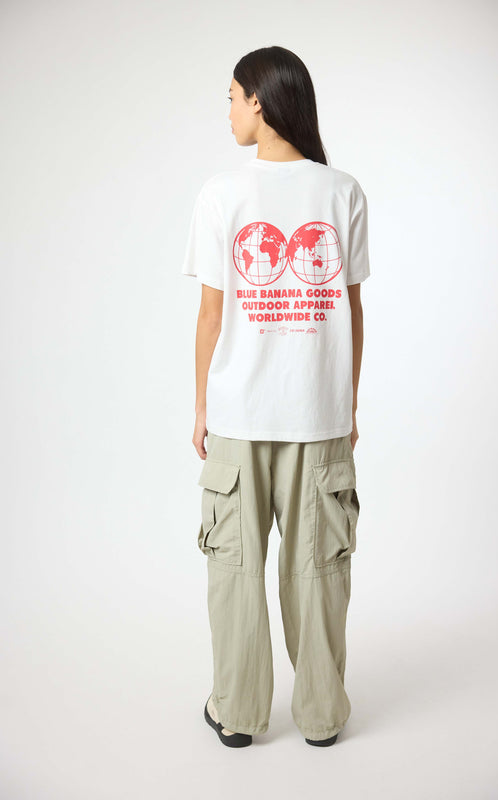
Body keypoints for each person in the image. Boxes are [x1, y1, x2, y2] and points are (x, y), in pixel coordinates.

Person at [182, 45, 370, 748]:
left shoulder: (221, 194)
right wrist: (347, 406)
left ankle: (237, 714)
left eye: (231, 97)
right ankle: (320, 718)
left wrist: (201, 407)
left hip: (238, 415)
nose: (228, 111)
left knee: (234, 570)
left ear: (258, 101)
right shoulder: (342, 190)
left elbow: (211, 315)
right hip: (318, 415)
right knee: (318, 570)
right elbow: (352, 312)